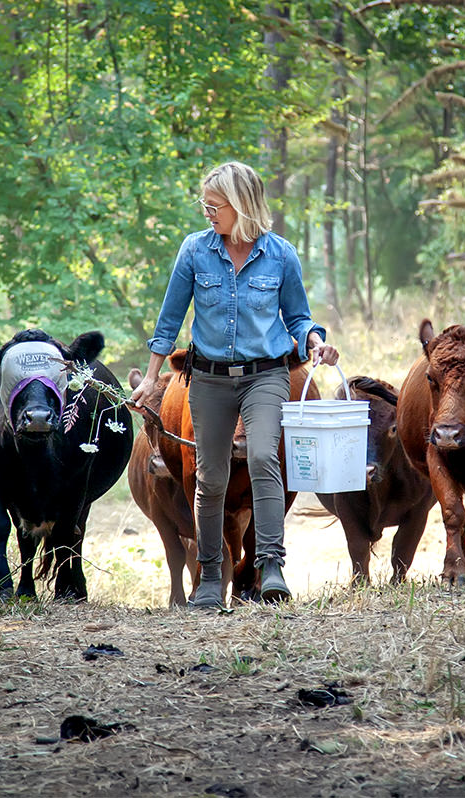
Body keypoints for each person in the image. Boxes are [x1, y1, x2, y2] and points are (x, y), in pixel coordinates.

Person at [130, 161, 338, 609]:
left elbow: (299, 317)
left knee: (264, 457)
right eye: (204, 204)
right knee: (211, 475)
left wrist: (317, 342)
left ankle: (270, 566)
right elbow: (169, 321)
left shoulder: (281, 254)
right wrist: (150, 380)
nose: (207, 212)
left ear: (241, 205)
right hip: (207, 379)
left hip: (266, 375)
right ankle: (209, 577)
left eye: (215, 205)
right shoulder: (194, 251)